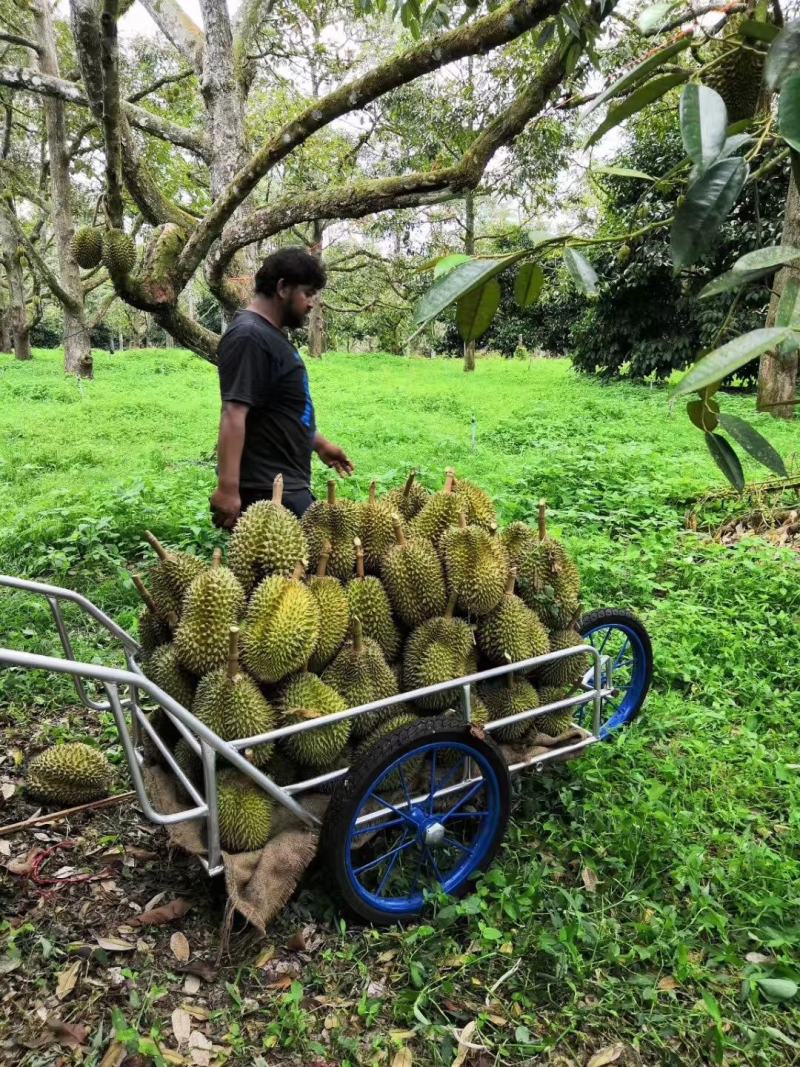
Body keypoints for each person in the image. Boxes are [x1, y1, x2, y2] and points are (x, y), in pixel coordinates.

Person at [209, 247, 354, 529]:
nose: (311, 304)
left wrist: (319, 444)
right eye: (307, 293)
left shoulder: (268, 335)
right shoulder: (249, 336)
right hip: (268, 490)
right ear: (283, 287)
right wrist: (228, 488)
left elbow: (280, 408)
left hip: (286, 484)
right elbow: (234, 412)